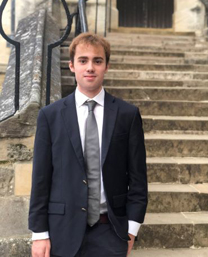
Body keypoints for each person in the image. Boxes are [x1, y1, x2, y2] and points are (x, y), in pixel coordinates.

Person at [29, 32, 148, 257]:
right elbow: (41, 178)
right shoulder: (50, 116)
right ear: (72, 66)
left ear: (106, 66)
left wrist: (131, 230)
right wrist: (39, 233)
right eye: (83, 60)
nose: (90, 67)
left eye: (97, 61)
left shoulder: (127, 115)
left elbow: (138, 179)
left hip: (110, 231)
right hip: (60, 232)